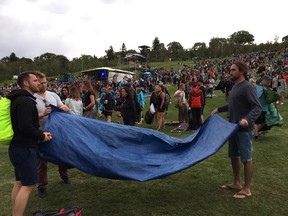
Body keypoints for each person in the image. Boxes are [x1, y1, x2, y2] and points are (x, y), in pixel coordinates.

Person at [211, 61, 261, 199]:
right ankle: (237, 183)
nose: (230, 72)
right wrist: (219, 109)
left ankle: (247, 189)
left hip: (244, 129)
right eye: (230, 70)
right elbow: (233, 104)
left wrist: (247, 119)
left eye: (233, 70)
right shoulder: (235, 86)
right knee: (233, 155)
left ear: (241, 71)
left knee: (246, 158)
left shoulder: (247, 87)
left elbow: (257, 107)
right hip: (232, 128)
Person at [7, 71, 52, 216]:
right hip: (25, 148)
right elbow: (26, 126)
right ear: (26, 83)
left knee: (20, 182)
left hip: (17, 147)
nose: (38, 83)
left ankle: (15, 213)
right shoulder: (25, 101)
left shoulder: (19, 99)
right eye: (35, 80)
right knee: (28, 185)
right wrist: (41, 135)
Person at [34, 72, 70, 198]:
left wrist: (64, 108)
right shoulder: (32, 98)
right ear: (35, 82)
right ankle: (42, 185)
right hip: (40, 132)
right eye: (41, 83)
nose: (43, 85)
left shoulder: (53, 95)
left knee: (61, 156)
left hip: (56, 131)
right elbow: (29, 117)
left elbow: (61, 106)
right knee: (41, 161)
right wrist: (43, 114)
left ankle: (64, 176)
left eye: (45, 83)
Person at [254, 75, 271, 140]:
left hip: (265, 108)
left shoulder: (267, 88)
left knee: (263, 123)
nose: (268, 81)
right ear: (263, 80)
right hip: (259, 108)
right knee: (257, 122)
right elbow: (256, 97)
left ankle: (255, 133)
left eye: (269, 80)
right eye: (267, 80)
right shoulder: (260, 88)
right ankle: (255, 135)